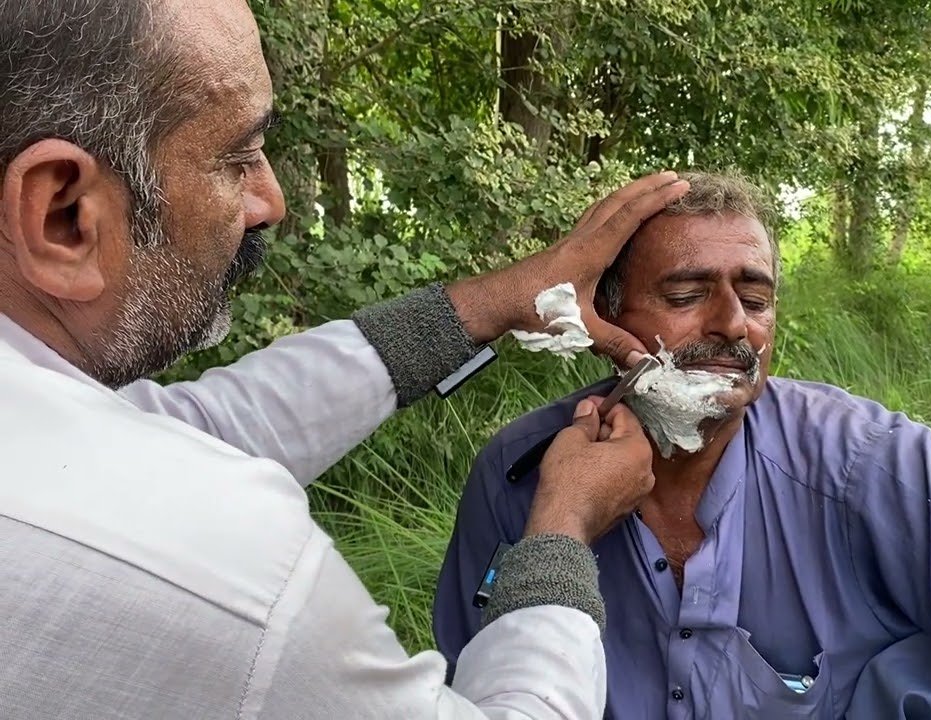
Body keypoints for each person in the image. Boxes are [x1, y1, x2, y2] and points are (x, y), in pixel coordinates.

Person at [0, 1, 687, 718]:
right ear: (63, 214)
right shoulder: (237, 579)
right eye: (236, 157)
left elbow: (183, 428)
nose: (271, 201)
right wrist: (563, 530)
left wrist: (496, 302)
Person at [433, 172, 931, 719]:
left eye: (756, 298)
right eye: (686, 294)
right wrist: (561, 522)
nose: (733, 325)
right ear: (608, 317)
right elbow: (483, 695)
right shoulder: (519, 479)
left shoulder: (855, 457)